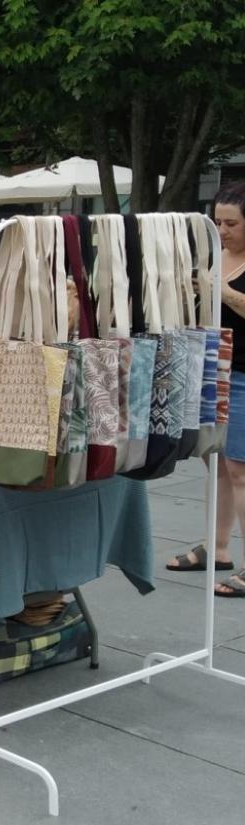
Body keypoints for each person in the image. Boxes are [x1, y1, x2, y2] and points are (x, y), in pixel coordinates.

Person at [173, 184, 245, 598]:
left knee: (240, 468)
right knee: (215, 462)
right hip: (215, 368)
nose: (222, 230)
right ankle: (217, 549)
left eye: (231, 223)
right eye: (218, 221)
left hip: (244, 376)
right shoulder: (216, 257)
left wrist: (224, 291)